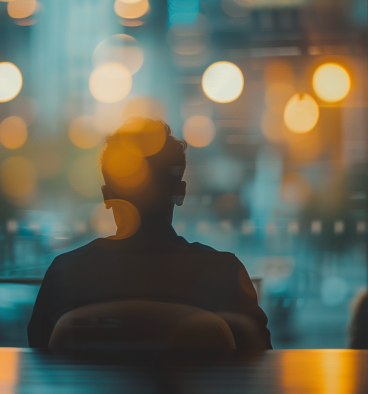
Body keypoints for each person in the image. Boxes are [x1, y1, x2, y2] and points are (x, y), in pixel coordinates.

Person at [27, 118, 272, 349]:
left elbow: (39, 362)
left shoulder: (66, 274)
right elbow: (259, 362)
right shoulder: (225, 274)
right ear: (180, 192)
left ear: (107, 196)